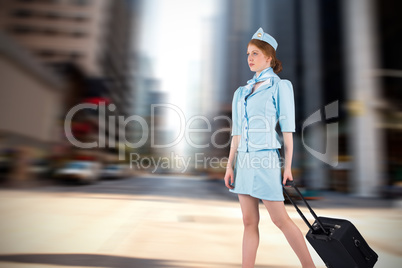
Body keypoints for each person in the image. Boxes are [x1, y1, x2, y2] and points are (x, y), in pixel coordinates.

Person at [223, 27, 316, 268]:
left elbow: (287, 130)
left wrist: (288, 167)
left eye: (255, 53)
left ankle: (310, 266)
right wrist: (229, 165)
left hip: (266, 159)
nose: (249, 58)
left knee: (280, 219)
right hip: (243, 161)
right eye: (247, 54)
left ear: (269, 58)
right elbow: (237, 132)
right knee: (248, 220)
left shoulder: (280, 86)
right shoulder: (240, 92)